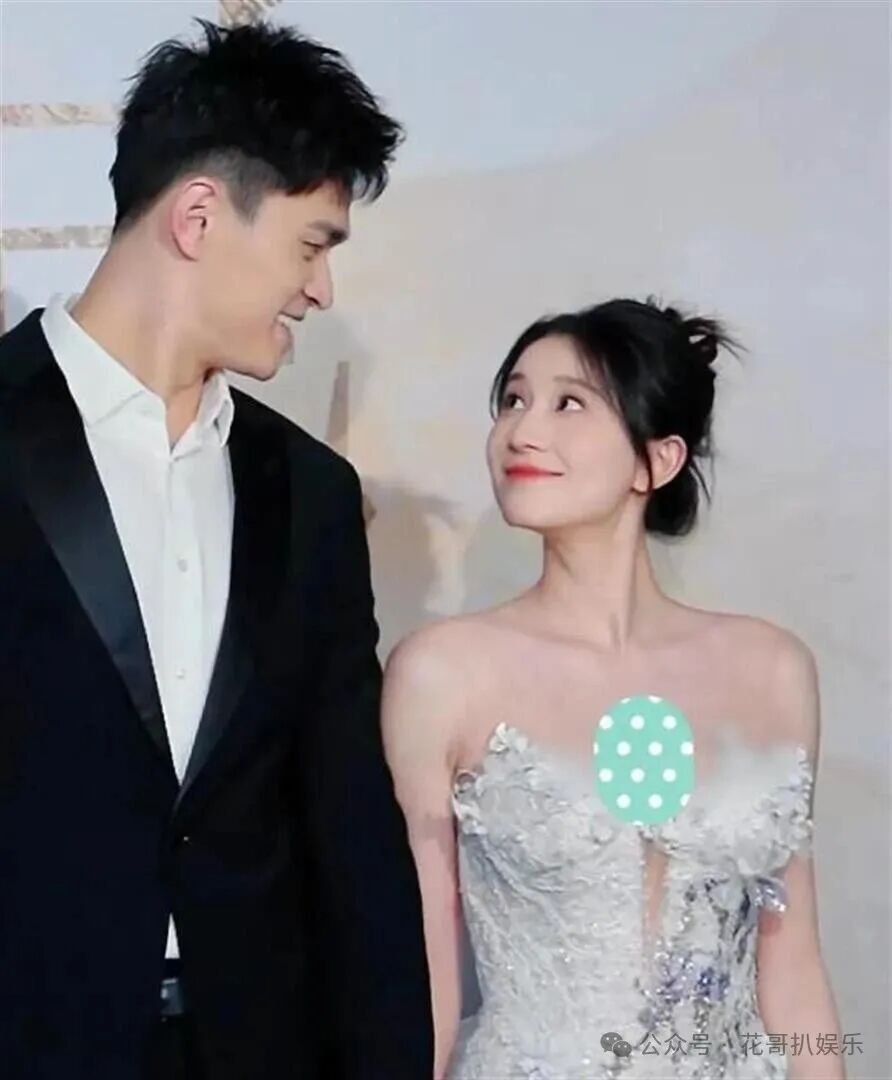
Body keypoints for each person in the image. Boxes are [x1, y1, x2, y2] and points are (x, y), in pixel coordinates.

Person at [0, 19, 432, 1080]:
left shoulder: (312, 494)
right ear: (198, 217)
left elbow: (347, 829)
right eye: (312, 245)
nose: (321, 291)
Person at [382, 298, 844, 1079]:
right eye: (513, 401)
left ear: (656, 461)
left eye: (569, 404)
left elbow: (793, 966)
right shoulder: (444, 672)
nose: (522, 431)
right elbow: (425, 969)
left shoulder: (772, 670)